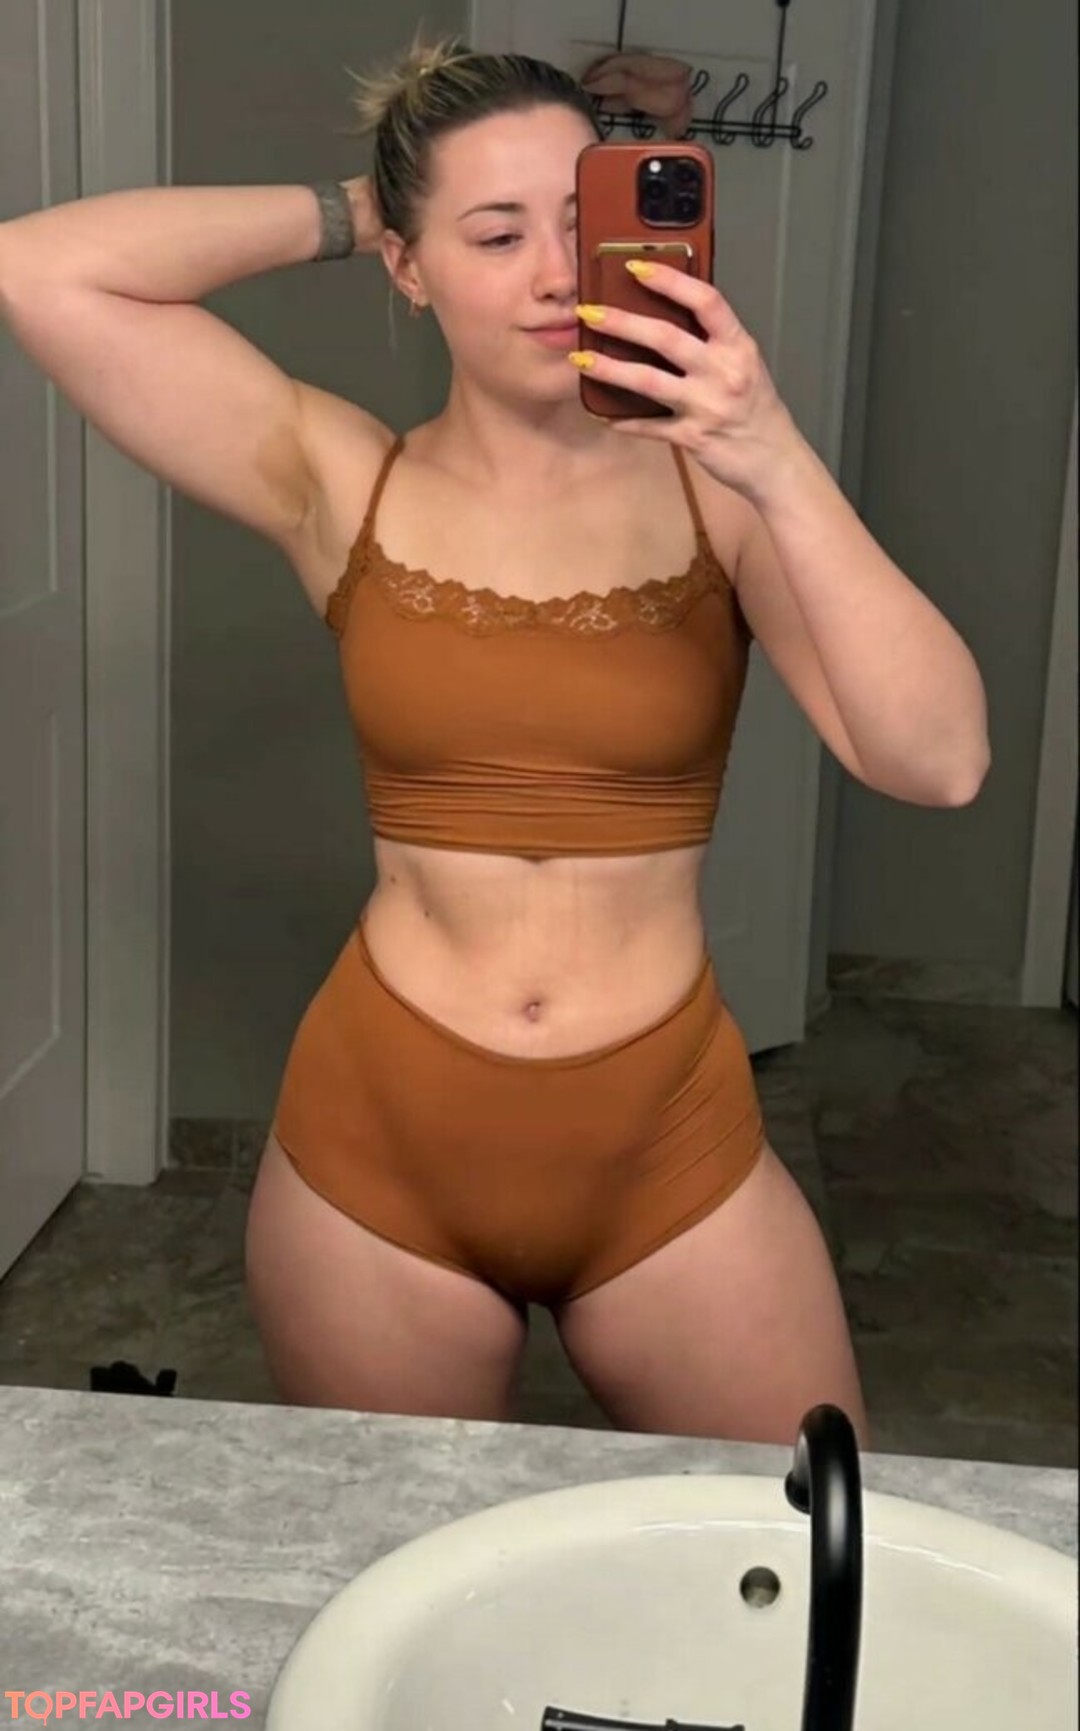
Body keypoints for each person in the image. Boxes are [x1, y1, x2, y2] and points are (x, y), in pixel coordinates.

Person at [0, 38, 989, 1445]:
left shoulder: (722, 492)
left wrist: (772, 450)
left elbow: (939, 761)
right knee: (401, 1558)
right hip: (379, 1147)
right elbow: (37, 269)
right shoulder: (343, 478)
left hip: (668, 1147)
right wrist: (366, 203)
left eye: (585, 219)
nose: (553, 273)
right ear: (411, 270)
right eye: (496, 233)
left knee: (786, 1553)